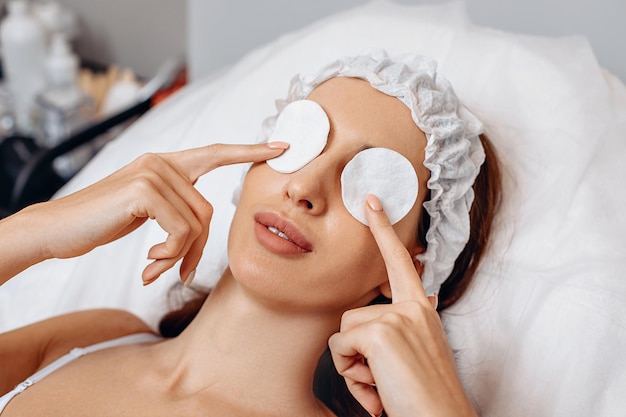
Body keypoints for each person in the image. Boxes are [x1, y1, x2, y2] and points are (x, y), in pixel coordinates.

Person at [0, 52, 500, 417]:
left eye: (370, 182)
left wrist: (438, 409)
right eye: (303, 140)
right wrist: (34, 231)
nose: (303, 187)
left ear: (408, 269)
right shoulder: (95, 336)